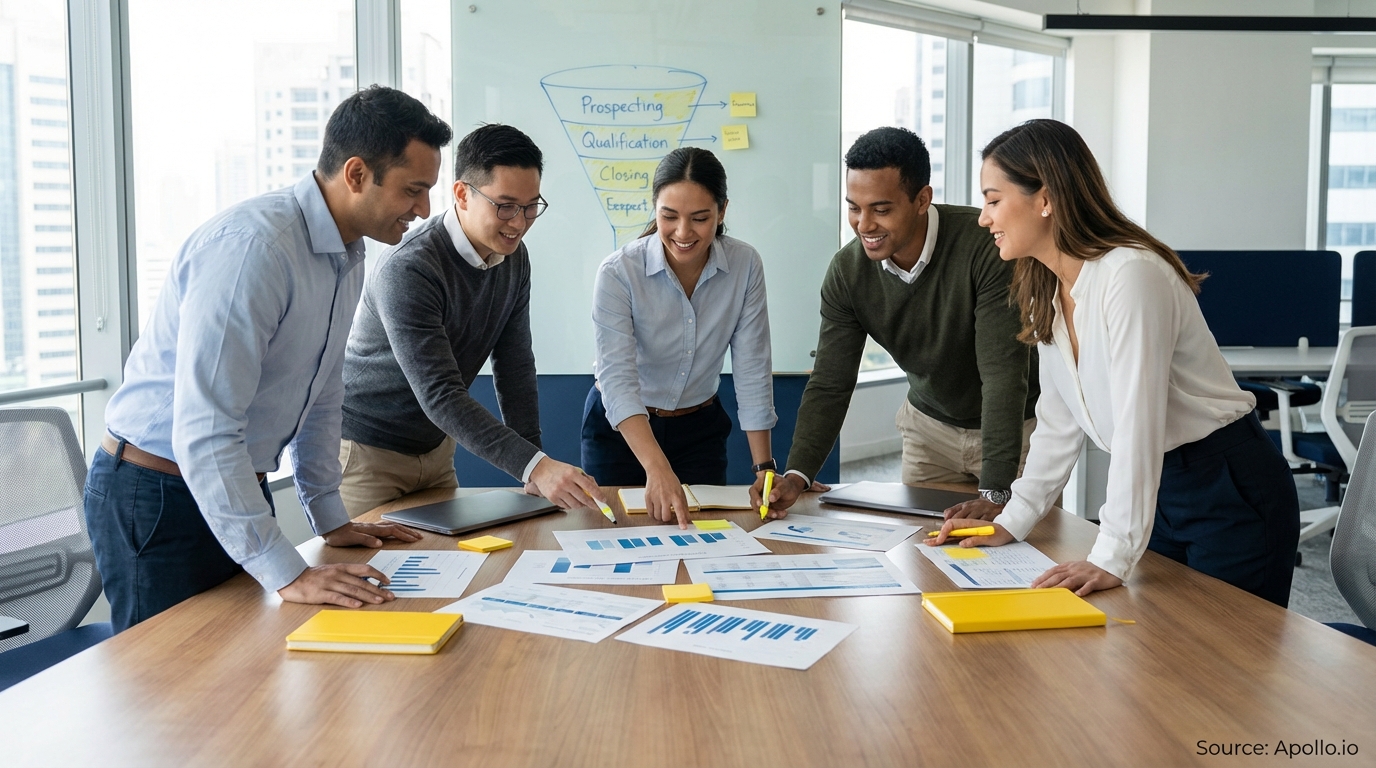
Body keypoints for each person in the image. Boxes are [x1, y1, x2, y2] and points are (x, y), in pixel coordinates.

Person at [84, 86, 451, 632]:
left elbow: (323, 395)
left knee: (234, 679)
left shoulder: (347, 255)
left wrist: (331, 518)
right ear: (356, 174)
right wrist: (288, 572)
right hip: (156, 493)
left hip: (230, 485)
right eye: (413, 190)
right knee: (167, 690)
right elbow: (206, 430)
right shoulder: (255, 249)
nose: (423, 210)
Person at [930, 119, 1300, 607]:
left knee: (1230, 664)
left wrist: (1111, 555)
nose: (983, 218)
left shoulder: (1131, 276)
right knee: (1154, 652)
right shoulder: (1046, 286)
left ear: (1046, 198)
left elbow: (1137, 426)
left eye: (993, 199)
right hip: (1159, 488)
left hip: (1226, 488)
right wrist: (1013, 520)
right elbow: (1057, 424)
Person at [756, 126, 1037, 517]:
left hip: (1015, 429)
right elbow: (831, 382)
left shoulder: (986, 247)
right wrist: (798, 474)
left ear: (922, 199)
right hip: (929, 430)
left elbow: (1003, 375)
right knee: (921, 551)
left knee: (1011, 551)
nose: (864, 224)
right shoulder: (847, 272)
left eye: (881, 209)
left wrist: (994, 493)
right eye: (854, 207)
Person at [338, 124, 607, 516]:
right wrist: (537, 466)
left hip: (434, 450)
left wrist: (532, 463)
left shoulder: (514, 257)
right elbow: (441, 394)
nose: (520, 222)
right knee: (371, 574)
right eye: (506, 205)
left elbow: (514, 364)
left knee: (445, 568)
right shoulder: (410, 268)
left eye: (532, 206)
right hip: (366, 452)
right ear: (463, 194)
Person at [582, 147, 776, 527]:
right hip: (621, 433)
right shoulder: (619, 272)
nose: (683, 233)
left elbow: (753, 368)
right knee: (617, 542)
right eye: (669, 216)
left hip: (699, 433)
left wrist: (763, 470)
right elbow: (617, 382)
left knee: (701, 542)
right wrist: (657, 468)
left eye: (700, 218)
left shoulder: (744, 265)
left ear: (722, 211)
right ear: (654, 208)